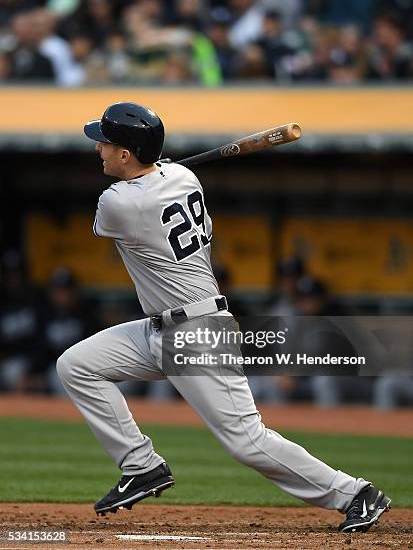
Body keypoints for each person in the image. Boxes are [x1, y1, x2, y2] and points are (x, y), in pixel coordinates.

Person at [56, 101, 390, 533]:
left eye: (105, 143)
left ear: (126, 154)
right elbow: (156, 181)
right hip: (160, 327)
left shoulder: (117, 204)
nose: (98, 148)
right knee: (77, 365)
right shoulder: (183, 176)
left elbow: (120, 207)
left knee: (248, 442)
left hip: (196, 332)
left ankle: (355, 494)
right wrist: (154, 171)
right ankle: (141, 465)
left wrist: (145, 178)